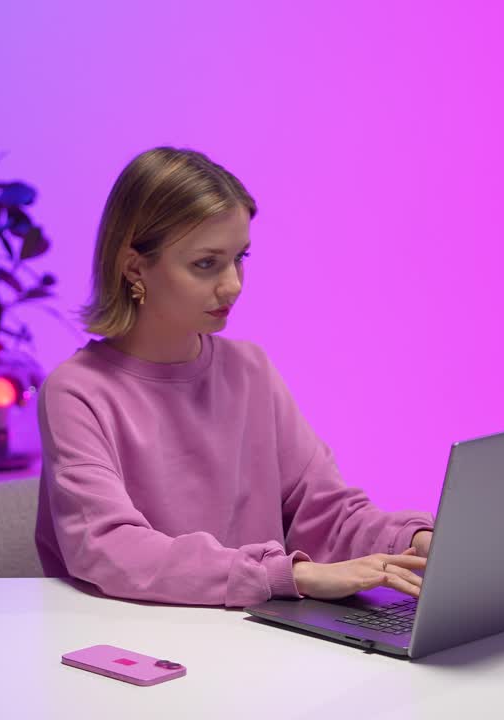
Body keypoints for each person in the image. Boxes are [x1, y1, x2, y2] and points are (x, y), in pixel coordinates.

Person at [35, 147, 435, 608]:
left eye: (239, 258)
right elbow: (110, 550)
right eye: (206, 264)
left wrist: (415, 542)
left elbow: (326, 512)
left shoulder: (250, 371)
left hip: (253, 640)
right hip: (137, 648)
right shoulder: (77, 391)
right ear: (134, 267)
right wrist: (291, 575)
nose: (233, 285)